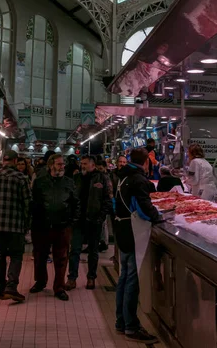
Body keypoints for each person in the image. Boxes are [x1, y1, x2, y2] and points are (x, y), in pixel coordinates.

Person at [114, 148, 159, 345]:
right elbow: (143, 209)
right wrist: (158, 216)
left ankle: (121, 321)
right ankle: (131, 326)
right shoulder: (138, 179)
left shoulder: (122, 176)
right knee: (132, 278)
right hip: (133, 232)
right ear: (147, 161)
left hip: (122, 229)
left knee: (124, 276)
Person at [30, 153, 80, 301]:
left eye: (63, 164)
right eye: (59, 164)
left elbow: (75, 203)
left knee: (61, 258)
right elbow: (34, 203)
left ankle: (59, 287)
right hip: (42, 226)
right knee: (40, 256)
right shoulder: (40, 182)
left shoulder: (69, 183)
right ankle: (40, 282)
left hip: (62, 226)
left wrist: (72, 221)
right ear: (51, 165)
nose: (62, 166)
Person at [0, 149, 32, 302]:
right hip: (15, 224)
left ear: (3, 160)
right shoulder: (21, 178)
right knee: (16, 255)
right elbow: (27, 203)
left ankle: (0, 289)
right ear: (14, 161)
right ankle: (11, 287)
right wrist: (27, 223)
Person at [65, 155, 112, 291]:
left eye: (85, 164)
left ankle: (91, 277)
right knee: (74, 250)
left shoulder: (102, 178)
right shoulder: (77, 178)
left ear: (93, 165)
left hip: (94, 220)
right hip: (78, 220)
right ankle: (72, 278)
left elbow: (107, 199)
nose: (82, 166)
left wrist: (101, 217)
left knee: (93, 251)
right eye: (82, 163)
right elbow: (71, 198)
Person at [96, 159, 112, 251]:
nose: (99, 170)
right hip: (101, 203)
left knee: (103, 223)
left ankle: (104, 242)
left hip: (104, 204)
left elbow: (109, 192)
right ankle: (103, 242)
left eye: (101, 168)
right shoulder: (100, 177)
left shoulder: (106, 177)